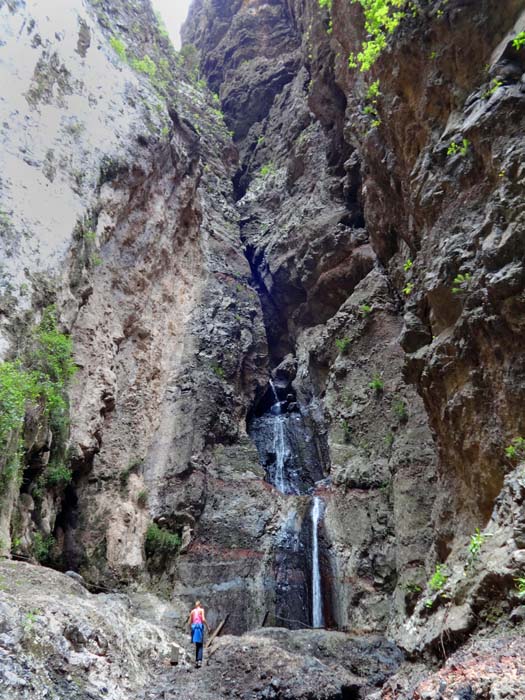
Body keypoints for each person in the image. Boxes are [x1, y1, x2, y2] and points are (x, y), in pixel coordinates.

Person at [187, 600, 210, 668]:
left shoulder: (192, 611)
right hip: (199, 627)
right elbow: (203, 619)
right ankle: (199, 660)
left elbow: (189, 622)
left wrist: (191, 628)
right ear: (200, 605)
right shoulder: (201, 610)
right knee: (200, 645)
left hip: (194, 628)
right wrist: (207, 626)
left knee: (197, 645)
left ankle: (196, 660)